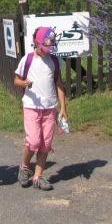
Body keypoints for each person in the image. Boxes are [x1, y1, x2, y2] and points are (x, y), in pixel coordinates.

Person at [14, 26, 67, 191]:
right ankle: (25, 166)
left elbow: (59, 84)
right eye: (44, 47)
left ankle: (38, 176)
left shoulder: (55, 61)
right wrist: (24, 83)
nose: (47, 51)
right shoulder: (27, 60)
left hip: (50, 108)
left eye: (50, 48)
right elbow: (16, 80)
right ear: (36, 43)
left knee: (45, 143)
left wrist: (63, 108)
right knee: (34, 141)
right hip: (31, 106)